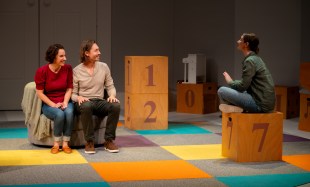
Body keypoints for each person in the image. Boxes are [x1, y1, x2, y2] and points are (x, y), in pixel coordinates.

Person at [71, 39, 120, 154]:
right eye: (96, 50)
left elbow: (110, 86)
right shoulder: (76, 71)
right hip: (83, 103)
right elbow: (72, 94)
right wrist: (78, 98)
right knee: (87, 105)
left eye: (99, 50)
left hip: (99, 101)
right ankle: (89, 141)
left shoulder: (104, 67)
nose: (99, 53)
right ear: (86, 53)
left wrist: (112, 95)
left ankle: (108, 140)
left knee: (116, 105)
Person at [217, 33, 275, 113]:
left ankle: (238, 110)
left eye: (240, 40)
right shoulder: (256, 58)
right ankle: (237, 110)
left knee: (221, 90)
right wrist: (233, 83)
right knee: (234, 90)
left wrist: (230, 81)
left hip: (260, 105)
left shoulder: (250, 61)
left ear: (246, 44)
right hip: (265, 103)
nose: (238, 41)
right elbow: (245, 84)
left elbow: (243, 86)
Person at [34, 44, 74, 154]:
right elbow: (40, 93)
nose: (64, 58)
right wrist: (53, 104)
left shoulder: (68, 68)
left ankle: (66, 143)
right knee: (59, 114)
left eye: (65, 55)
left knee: (69, 112)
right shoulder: (42, 71)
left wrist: (65, 102)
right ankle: (56, 143)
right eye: (61, 56)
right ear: (53, 57)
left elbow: (69, 88)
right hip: (49, 103)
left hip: (65, 99)